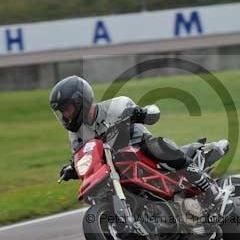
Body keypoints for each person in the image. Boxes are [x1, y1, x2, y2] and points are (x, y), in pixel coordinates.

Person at [49, 75, 222, 204]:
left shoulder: (116, 106)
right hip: (114, 167)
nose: (65, 115)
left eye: (68, 109)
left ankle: (209, 186)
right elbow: (84, 156)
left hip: (139, 148)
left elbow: (154, 113)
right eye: (62, 112)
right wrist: (73, 168)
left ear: (81, 101)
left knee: (156, 146)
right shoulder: (76, 134)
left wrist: (141, 113)